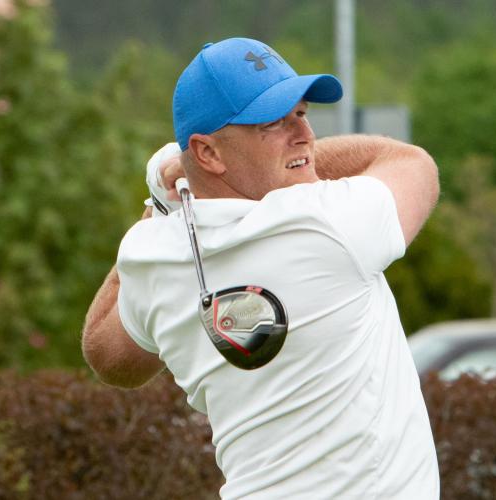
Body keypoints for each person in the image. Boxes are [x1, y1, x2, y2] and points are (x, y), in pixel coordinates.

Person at [83, 37, 440, 499]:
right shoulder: (328, 223)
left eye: (301, 113)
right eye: (273, 122)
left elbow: (109, 358)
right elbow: (412, 163)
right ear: (209, 153)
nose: (305, 134)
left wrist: (161, 204)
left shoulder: (153, 257)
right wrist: (186, 172)